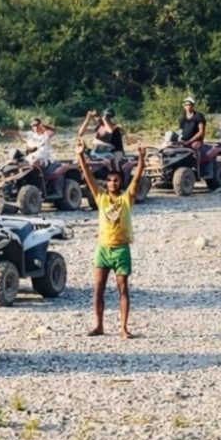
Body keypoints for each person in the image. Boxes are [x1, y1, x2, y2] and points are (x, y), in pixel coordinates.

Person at [76, 138, 146, 340]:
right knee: (98, 290)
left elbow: (138, 178)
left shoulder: (127, 198)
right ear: (106, 183)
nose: (113, 183)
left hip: (121, 249)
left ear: (120, 182)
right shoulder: (101, 197)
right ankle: (98, 325)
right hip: (103, 249)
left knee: (122, 288)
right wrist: (81, 156)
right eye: (110, 180)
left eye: (116, 180)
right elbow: (88, 178)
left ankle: (123, 327)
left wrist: (141, 159)